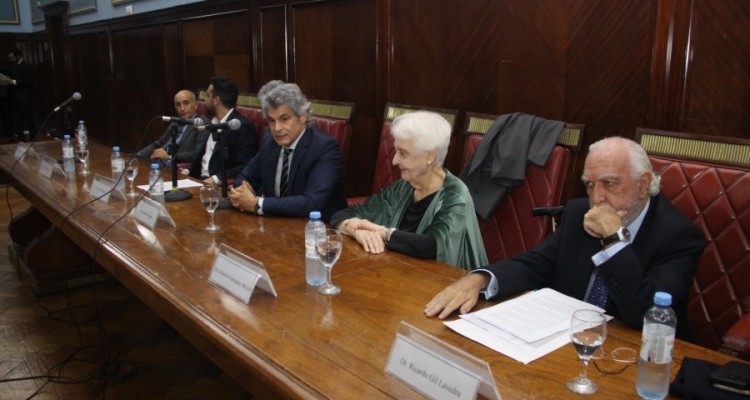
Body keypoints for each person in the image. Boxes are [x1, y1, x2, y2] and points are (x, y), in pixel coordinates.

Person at [424, 136, 704, 341]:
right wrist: (480, 279)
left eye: (609, 183)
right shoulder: (579, 211)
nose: (597, 198)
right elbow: (537, 263)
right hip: (564, 339)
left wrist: (614, 240)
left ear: (643, 185)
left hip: (638, 354)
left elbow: (642, 314)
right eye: (589, 185)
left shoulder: (679, 237)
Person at [329, 111, 488, 271]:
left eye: (402, 153)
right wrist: (355, 231)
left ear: (430, 156)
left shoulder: (455, 195)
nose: (394, 160)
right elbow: (341, 214)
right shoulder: (403, 188)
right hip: (401, 274)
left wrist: (380, 231)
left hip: (446, 284)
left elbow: (429, 246)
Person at [229, 80, 346, 222]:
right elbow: (244, 176)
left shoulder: (325, 148)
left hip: (318, 230)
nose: (277, 128)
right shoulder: (270, 142)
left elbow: (312, 203)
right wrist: (243, 191)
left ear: (302, 117)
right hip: (275, 225)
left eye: (284, 119)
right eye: (272, 121)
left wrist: (257, 204)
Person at [184, 77, 257, 186]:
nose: (205, 100)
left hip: (216, 185)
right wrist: (188, 171)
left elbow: (246, 165)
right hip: (199, 181)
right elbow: (204, 156)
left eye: (208, 95)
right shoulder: (213, 122)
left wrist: (216, 178)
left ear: (216, 100)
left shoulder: (240, 126)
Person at [137, 90, 209, 167]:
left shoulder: (202, 123)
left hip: (176, 166)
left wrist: (169, 156)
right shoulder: (175, 122)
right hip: (159, 162)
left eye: (186, 103)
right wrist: (138, 155)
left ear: (195, 105)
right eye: (178, 105)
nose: (182, 108)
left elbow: (197, 153)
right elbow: (159, 143)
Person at [0, 48, 34, 141]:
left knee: (28, 117)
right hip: (15, 97)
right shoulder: (14, 67)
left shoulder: (27, 66)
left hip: (25, 96)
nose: (11, 60)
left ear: (18, 56)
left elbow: (29, 81)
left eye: (12, 58)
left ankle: (32, 137)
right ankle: (20, 138)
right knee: (17, 119)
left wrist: (13, 81)